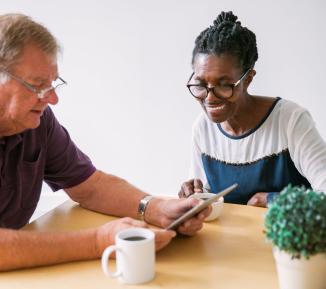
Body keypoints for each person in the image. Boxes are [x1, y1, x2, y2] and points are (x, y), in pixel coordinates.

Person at [0, 13, 210, 271]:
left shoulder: (37, 120)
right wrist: (98, 241)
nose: (52, 99)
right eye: (38, 85)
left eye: (53, 83)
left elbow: (89, 186)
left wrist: (158, 208)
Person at [178, 11, 326, 207]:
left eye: (224, 85)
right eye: (200, 84)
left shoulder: (290, 120)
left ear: (247, 79)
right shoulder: (203, 128)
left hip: (290, 237)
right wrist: (194, 193)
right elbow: (206, 195)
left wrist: (270, 200)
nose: (210, 97)